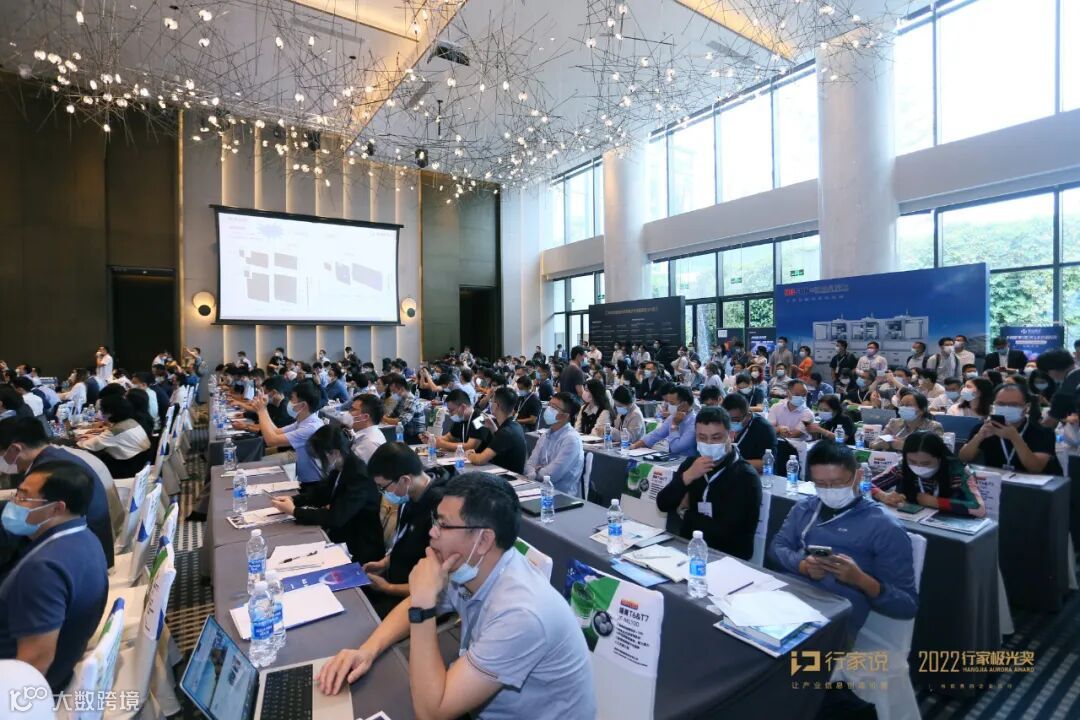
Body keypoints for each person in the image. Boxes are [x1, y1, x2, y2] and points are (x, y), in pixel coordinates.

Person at [317, 473, 596, 718]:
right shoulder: (471, 565)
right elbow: (411, 605)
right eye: (434, 520)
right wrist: (367, 650)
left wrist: (423, 605)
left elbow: (431, 712)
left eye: (444, 525)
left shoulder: (521, 613)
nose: (432, 532)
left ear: (483, 540)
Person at [770, 441, 918, 631]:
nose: (829, 490)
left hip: (835, 617)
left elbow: (907, 605)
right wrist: (802, 566)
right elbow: (776, 548)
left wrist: (861, 580)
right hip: (788, 597)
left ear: (858, 476)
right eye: (821, 484)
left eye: (838, 483)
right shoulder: (805, 508)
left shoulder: (884, 526)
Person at [0, 463, 108, 692]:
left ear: (57, 508)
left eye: (23, 498)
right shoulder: (84, 537)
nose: (13, 504)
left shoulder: (42, 570)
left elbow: (34, 663)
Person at [0, 418, 114, 568]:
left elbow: (28, 521)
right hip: (90, 546)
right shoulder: (55, 458)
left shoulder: (47, 472)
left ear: (15, 449)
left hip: (73, 556)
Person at [656, 407, 762, 560]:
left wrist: (685, 513)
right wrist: (687, 477)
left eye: (716, 438)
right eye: (702, 437)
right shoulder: (692, 464)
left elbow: (726, 531)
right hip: (689, 549)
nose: (709, 443)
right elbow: (662, 504)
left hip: (728, 558)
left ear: (731, 435)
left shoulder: (746, 476)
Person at [269, 425, 384, 563]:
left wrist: (295, 511)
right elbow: (321, 494)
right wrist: (293, 500)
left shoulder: (359, 476)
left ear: (334, 453)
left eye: (320, 456)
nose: (318, 461)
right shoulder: (340, 467)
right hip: (342, 534)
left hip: (359, 546)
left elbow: (335, 517)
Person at [362, 443, 448, 617]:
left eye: (383, 487)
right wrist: (385, 562)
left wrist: (389, 588)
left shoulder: (440, 510)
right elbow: (405, 539)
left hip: (419, 599)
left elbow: (441, 585)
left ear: (405, 480)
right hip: (398, 581)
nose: (382, 493)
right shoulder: (411, 496)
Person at [872, 432, 986, 516]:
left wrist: (936, 502)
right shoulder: (902, 467)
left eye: (926, 463)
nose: (918, 467)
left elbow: (979, 508)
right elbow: (865, 484)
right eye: (912, 461)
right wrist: (883, 495)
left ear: (940, 458)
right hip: (908, 521)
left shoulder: (957, 472)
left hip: (946, 525)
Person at [958, 384, 1057, 474]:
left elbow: (1035, 468)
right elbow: (963, 457)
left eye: (1014, 405)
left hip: (1031, 485)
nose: (1007, 408)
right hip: (994, 482)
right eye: (1001, 404)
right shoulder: (986, 428)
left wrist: (1015, 438)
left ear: (1026, 407)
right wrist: (979, 436)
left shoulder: (1042, 432)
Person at [246, 380, 325, 484]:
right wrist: (263, 408)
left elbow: (271, 440)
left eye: (292, 398)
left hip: (313, 483)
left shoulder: (311, 427)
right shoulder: (304, 420)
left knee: (258, 465)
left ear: (303, 405)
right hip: (303, 477)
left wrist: (261, 411)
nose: (289, 402)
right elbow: (275, 431)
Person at [77, 395, 152, 478]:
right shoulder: (132, 422)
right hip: (139, 463)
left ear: (109, 413)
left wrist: (77, 440)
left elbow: (89, 445)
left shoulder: (115, 431)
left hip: (125, 468)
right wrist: (94, 437)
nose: (100, 413)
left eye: (102, 410)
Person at [523, 393, 584, 495]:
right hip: (538, 489)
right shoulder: (545, 435)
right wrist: (536, 472)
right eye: (549, 405)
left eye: (554, 407)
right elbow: (529, 464)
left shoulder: (571, 440)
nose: (548, 409)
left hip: (561, 495)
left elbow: (552, 475)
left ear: (565, 415)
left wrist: (536, 472)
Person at [467, 388, 527, 474]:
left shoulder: (506, 432)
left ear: (496, 406)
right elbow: (502, 443)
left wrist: (469, 454)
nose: (490, 404)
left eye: (491, 401)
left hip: (506, 477)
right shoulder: (516, 426)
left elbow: (480, 460)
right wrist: (493, 428)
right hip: (509, 473)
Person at [631, 385, 698, 456]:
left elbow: (676, 448)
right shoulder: (673, 417)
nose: (669, 406)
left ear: (685, 403)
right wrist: (634, 446)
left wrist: (674, 425)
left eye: (672, 403)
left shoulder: (694, 422)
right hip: (672, 457)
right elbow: (656, 434)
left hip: (687, 459)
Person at [720, 393, 777, 471]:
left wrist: (735, 463)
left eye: (735, 420)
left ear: (748, 415)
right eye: (727, 419)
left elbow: (768, 463)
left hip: (753, 473)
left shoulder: (764, 429)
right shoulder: (722, 424)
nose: (730, 423)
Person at [872, 391, 943, 451]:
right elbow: (873, 443)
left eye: (908, 405)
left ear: (921, 410)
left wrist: (905, 446)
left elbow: (937, 451)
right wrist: (879, 445)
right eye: (901, 404)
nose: (903, 408)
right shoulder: (894, 423)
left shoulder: (933, 427)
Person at [428, 389, 490, 453]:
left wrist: (443, 444)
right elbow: (449, 437)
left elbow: (471, 446)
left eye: (451, 410)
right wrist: (432, 439)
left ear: (463, 407)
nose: (450, 414)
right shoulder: (461, 418)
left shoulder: (480, 419)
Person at [383, 374, 428, 444]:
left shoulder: (411, 400)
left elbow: (401, 421)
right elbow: (392, 414)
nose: (393, 394)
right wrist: (386, 414)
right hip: (405, 434)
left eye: (394, 391)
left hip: (416, 437)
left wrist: (384, 418)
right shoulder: (401, 398)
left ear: (401, 389)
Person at [342, 393, 386, 463]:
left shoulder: (369, 444)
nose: (348, 412)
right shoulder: (367, 434)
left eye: (353, 410)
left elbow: (352, 467)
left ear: (365, 417)